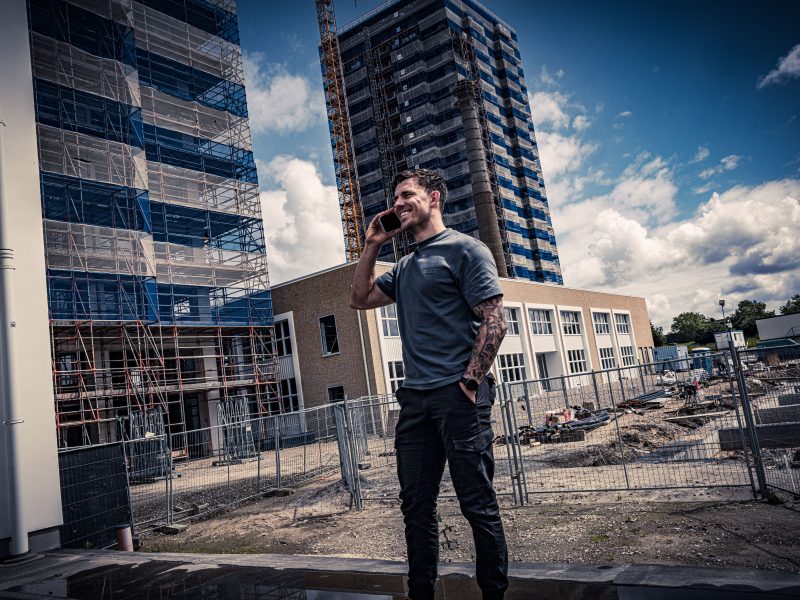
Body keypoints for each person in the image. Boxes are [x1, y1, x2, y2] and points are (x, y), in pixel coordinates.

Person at [349, 169, 509, 600]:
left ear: (433, 197)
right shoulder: (403, 267)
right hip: (415, 401)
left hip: (459, 396)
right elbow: (359, 299)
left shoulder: (465, 250)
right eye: (395, 198)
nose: (398, 204)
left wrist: (471, 382)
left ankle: (494, 593)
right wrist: (371, 246)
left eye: (406, 195)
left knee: (477, 504)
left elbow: (495, 322)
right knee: (416, 508)